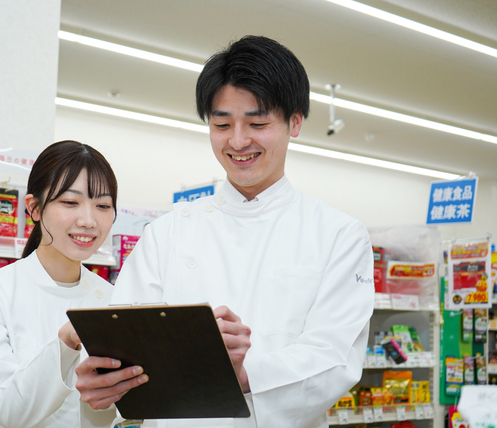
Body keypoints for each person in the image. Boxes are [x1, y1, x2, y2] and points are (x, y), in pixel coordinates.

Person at [72, 35, 375, 428]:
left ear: (295, 121)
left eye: (257, 123)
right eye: (222, 124)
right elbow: (124, 337)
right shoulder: (167, 233)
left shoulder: (339, 236)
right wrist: (101, 377)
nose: (238, 141)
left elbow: (334, 357)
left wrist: (243, 375)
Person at [0, 140, 118, 427]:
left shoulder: (113, 299)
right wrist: (66, 342)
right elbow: (5, 409)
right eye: (70, 202)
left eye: (103, 205)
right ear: (35, 208)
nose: (89, 221)